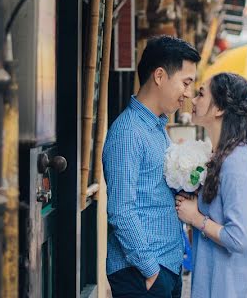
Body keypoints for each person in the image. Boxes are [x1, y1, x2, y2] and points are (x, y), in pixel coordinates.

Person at [103, 35, 200, 298]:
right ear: (159, 76)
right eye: (186, 82)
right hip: (141, 273)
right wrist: (150, 271)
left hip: (166, 266)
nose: (188, 93)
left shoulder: (157, 128)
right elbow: (121, 210)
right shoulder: (128, 132)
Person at [174, 73, 247, 298]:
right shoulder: (221, 155)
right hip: (220, 282)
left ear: (218, 109)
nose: (194, 100)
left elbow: (238, 237)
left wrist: (195, 218)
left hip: (235, 287)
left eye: (201, 94)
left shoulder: (235, 163)